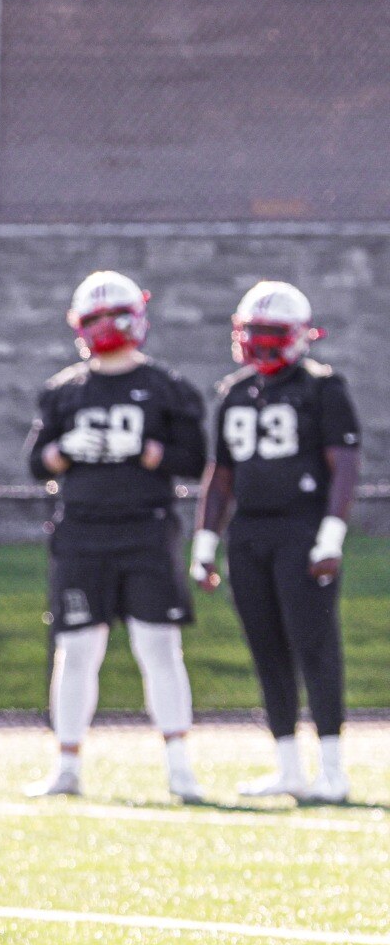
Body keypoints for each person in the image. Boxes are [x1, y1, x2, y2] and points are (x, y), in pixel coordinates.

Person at [23, 271, 208, 803]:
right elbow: (37, 462)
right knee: (75, 650)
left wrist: (145, 450)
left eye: (113, 316)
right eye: (95, 318)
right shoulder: (64, 390)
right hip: (82, 534)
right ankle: (67, 765)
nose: (105, 326)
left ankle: (180, 768)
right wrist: (66, 449)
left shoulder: (166, 387)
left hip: (146, 530)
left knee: (160, 647)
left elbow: (194, 459)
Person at [191, 281, 359, 802]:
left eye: (271, 335)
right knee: (266, 648)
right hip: (250, 533)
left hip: (302, 529)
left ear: (299, 336)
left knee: (314, 645)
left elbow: (345, 468)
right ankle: (288, 766)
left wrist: (331, 534)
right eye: (253, 334)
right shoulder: (235, 391)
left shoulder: (322, 387)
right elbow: (221, 474)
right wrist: (204, 543)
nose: (261, 345)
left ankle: (331, 769)